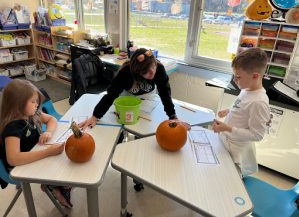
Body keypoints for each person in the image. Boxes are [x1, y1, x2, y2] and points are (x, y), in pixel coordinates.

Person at [0, 79, 72, 208]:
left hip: (34, 152)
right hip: (19, 166)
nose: (37, 105)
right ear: (17, 105)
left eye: (37, 101)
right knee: (59, 166)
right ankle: (52, 185)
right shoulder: (13, 127)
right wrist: (47, 152)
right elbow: (13, 159)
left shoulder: (31, 113)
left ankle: (54, 185)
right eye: (33, 102)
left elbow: (51, 119)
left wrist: (48, 132)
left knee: (63, 161)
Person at [80, 48, 179, 129]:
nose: (152, 72)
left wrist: (172, 116)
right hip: (127, 95)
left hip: (148, 96)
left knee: (145, 126)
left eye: (153, 66)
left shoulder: (159, 69)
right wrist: (95, 116)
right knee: (124, 123)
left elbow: (165, 92)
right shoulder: (125, 72)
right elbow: (111, 94)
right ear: (137, 71)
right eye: (146, 72)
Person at [212, 48, 270, 177]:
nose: (234, 80)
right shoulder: (247, 89)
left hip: (237, 151)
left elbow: (257, 135)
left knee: (229, 180)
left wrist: (228, 128)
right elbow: (243, 107)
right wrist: (228, 111)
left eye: (238, 77)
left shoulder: (259, 102)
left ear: (255, 76)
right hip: (227, 141)